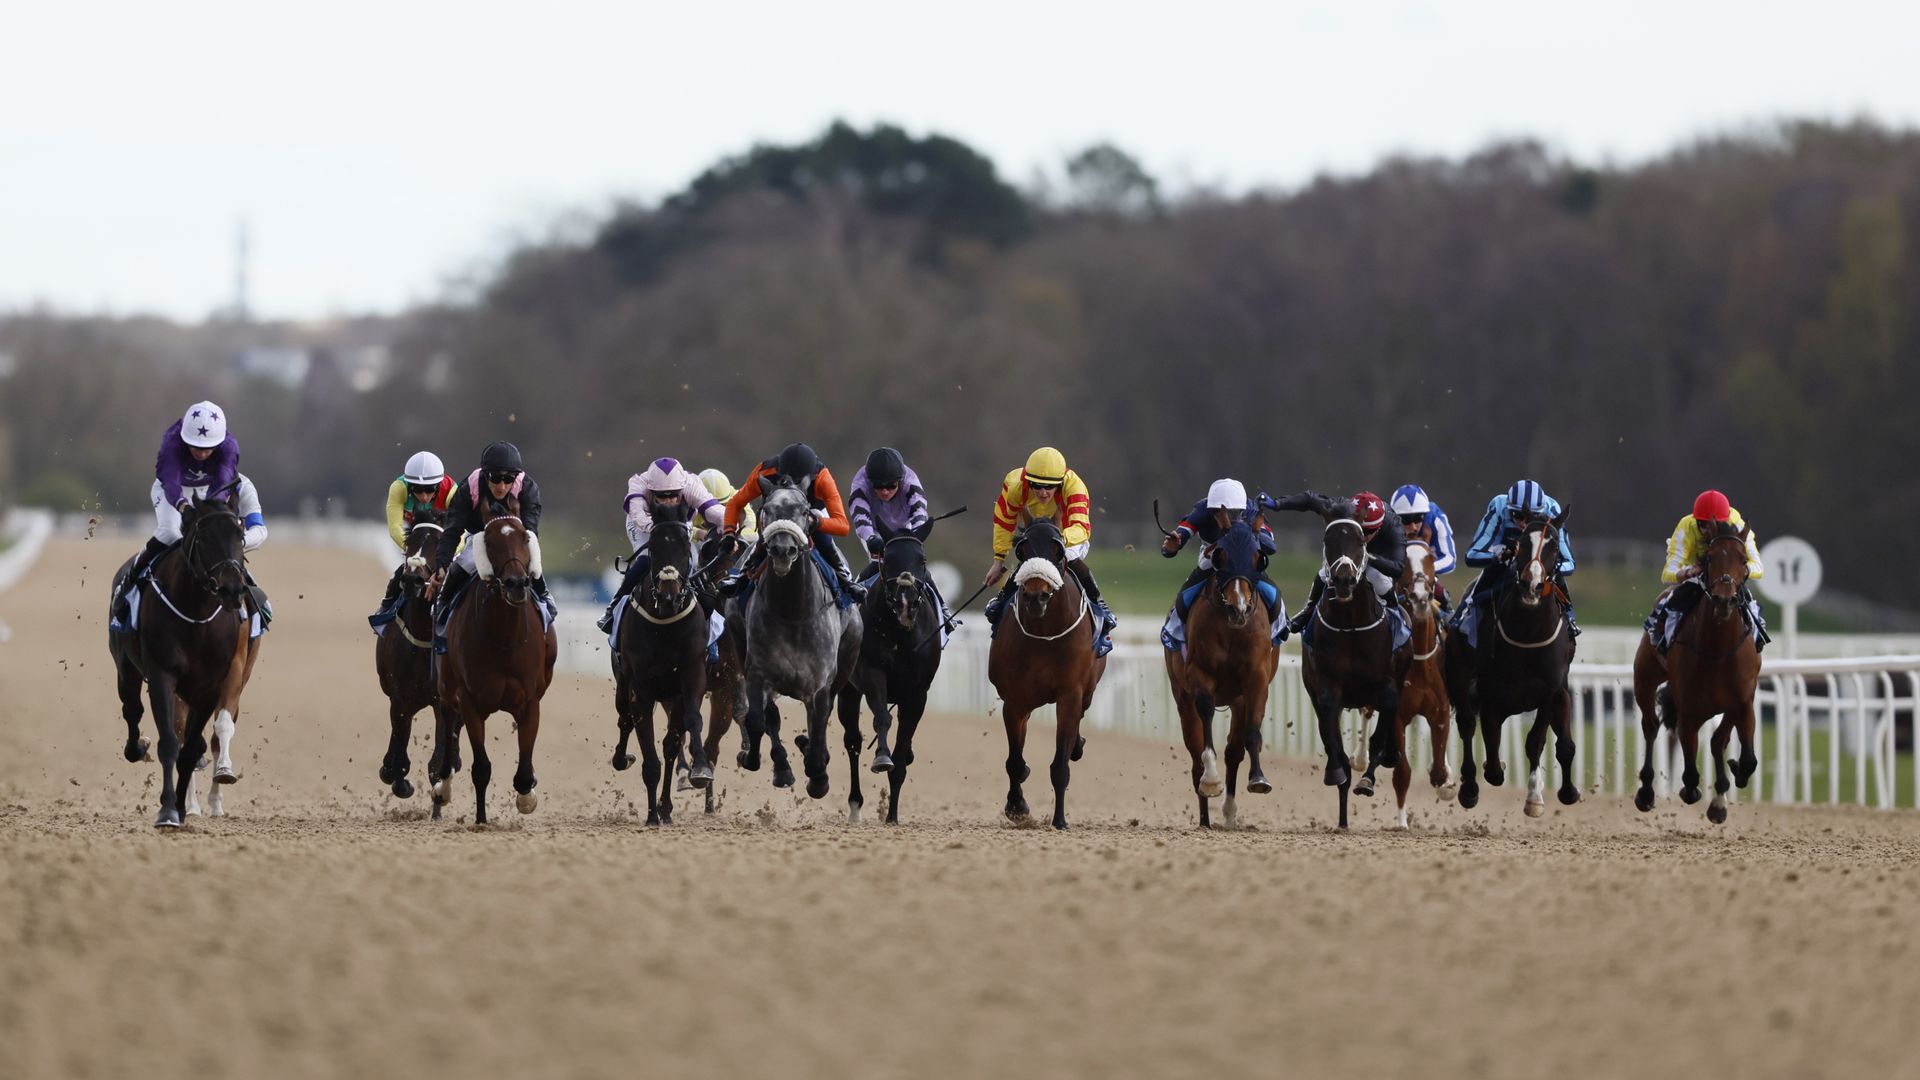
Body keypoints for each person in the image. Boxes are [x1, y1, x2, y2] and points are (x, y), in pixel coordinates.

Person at [111, 400, 241, 628]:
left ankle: (247, 589)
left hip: (209, 491)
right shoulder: (172, 440)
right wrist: (182, 506)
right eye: (195, 447)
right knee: (170, 532)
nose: (201, 453)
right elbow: (170, 480)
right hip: (172, 490)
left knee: (221, 535)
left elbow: (223, 481)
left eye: (208, 448)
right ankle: (129, 582)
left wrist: (211, 510)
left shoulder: (229, 446)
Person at [982, 446, 1115, 642]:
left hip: (1067, 534)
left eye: (1049, 487)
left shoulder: (1074, 487)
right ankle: (1002, 599)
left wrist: (1059, 539)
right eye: (1036, 486)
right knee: (1030, 556)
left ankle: (1099, 603)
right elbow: (1004, 522)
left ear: (1060, 484)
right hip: (1035, 532)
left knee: (1068, 555)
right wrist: (998, 561)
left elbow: (1081, 528)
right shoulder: (1015, 485)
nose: (1043, 492)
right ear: (1028, 481)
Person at [432, 441, 552, 634]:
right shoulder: (469, 487)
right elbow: (453, 529)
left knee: (531, 564)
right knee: (465, 562)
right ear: (485, 474)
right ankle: (443, 602)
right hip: (480, 535)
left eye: (508, 479)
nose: (502, 486)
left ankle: (544, 596)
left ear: (516, 477)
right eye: (495, 478)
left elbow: (529, 533)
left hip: (516, 537)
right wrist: (441, 565)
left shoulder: (527, 488)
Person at [596, 457, 726, 634]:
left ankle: (708, 618)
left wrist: (729, 530)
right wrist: (662, 529)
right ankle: (614, 606)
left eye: (674, 495)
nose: (668, 500)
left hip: (678, 524)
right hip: (646, 525)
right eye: (661, 496)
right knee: (645, 560)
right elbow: (638, 517)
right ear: (651, 490)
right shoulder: (638, 484)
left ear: (682, 489)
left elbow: (718, 513)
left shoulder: (692, 484)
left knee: (692, 563)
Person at [721, 442, 862, 600]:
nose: (793, 485)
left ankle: (845, 580)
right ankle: (740, 578)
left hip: (810, 515)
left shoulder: (822, 477)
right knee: (766, 520)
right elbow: (735, 503)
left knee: (819, 525)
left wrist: (815, 521)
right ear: (779, 471)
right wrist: (729, 533)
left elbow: (843, 526)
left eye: (798, 480)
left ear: (810, 477)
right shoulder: (765, 472)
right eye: (788, 479)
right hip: (775, 516)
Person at [1448, 478, 1578, 641]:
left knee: (1554, 576)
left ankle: (1570, 620)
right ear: (1508, 509)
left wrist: (1549, 567)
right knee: (1483, 584)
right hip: (1505, 559)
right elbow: (1472, 556)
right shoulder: (1499, 506)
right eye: (1517, 515)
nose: (1524, 523)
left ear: (1542, 511)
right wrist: (1501, 555)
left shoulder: (1552, 510)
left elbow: (1569, 562)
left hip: (1539, 565)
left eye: (1532, 517)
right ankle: (1460, 619)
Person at [1266, 490, 1405, 642]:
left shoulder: (1393, 524)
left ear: (1378, 528)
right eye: (1359, 529)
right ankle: (1308, 610)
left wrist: (1368, 556)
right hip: (1349, 550)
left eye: (1367, 532)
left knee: (1380, 581)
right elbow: (1309, 499)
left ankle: (1396, 617)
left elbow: (1398, 568)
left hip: (1378, 556)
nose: (1362, 535)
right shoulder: (1343, 508)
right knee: (1324, 573)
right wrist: (1277, 503)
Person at [1644, 488, 1770, 653]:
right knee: (1668, 600)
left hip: (1726, 577)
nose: (1707, 529)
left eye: (1715, 524)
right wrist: (1689, 572)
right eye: (1702, 524)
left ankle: (1758, 632)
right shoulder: (1686, 527)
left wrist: (1742, 570)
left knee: (1748, 600)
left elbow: (1758, 567)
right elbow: (1668, 573)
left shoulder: (1739, 526)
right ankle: (1659, 633)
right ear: (1695, 521)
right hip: (1694, 576)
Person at [1161, 478, 1280, 619]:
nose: (1226, 516)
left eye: (1232, 512)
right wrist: (1172, 547)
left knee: (1274, 597)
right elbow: (1184, 531)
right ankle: (1173, 627)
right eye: (1218, 511)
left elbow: (1270, 545)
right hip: (1212, 556)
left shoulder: (1251, 510)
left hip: (1246, 558)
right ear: (1211, 508)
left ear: (1242, 508)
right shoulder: (1203, 509)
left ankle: (1282, 624)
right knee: (1184, 599)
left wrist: (1251, 535)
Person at [371, 451, 460, 624]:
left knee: (459, 572)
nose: (424, 496)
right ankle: (386, 608)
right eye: (418, 490)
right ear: (410, 486)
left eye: (430, 489)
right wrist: (415, 551)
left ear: (438, 485)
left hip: (443, 534)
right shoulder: (399, 488)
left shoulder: (452, 492)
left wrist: (444, 554)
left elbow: (460, 531)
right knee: (402, 573)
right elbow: (395, 528)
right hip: (414, 531)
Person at [848, 447, 932, 579]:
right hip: (875, 530)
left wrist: (916, 535)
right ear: (870, 481)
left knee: (913, 563)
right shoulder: (861, 483)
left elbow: (919, 514)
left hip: (905, 529)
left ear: (900, 480)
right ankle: (856, 587)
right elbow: (860, 518)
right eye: (878, 486)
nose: (885, 491)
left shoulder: (910, 482)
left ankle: (936, 593)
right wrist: (870, 538)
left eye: (891, 485)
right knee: (879, 563)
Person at [1389, 483, 1457, 609]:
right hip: (1395, 576)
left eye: (1418, 518)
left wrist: (1422, 569)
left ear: (1425, 515)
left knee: (1442, 596)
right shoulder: (1386, 522)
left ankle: (1450, 618)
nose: (1413, 527)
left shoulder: (1435, 518)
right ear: (1394, 517)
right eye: (1406, 520)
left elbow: (1449, 559)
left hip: (1424, 579)